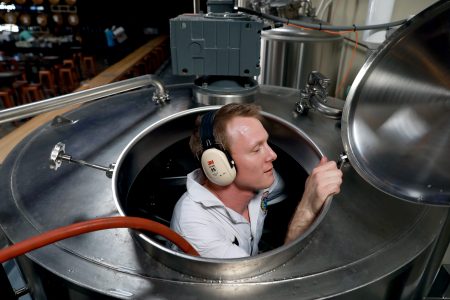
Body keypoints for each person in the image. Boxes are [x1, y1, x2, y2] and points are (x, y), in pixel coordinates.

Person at [170, 103, 343, 258]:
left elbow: (288, 185)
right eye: (256, 149)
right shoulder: (196, 227)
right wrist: (306, 209)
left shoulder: (258, 181)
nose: (273, 155)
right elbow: (258, 286)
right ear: (218, 164)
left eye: (266, 143)